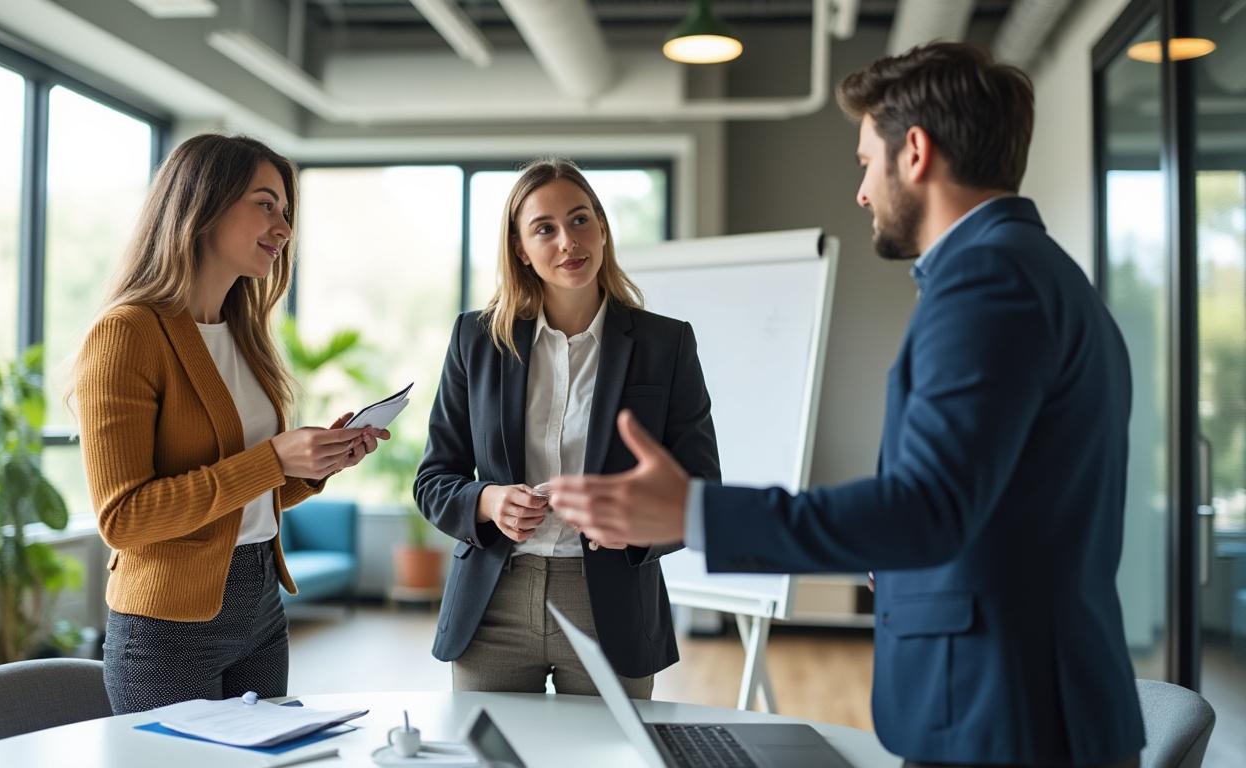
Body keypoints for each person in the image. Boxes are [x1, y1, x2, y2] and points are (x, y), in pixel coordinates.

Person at [548, 43, 1145, 767]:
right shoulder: (1034, 272)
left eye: (867, 161)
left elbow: (927, 510)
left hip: (1006, 714)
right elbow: (994, 505)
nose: (862, 190)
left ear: (915, 152)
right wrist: (887, 553)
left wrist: (692, 512)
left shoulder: (989, 284)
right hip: (1022, 705)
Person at [74, 134, 390, 714]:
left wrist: (316, 464)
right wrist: (273, 459)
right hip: (166, 628)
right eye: (265, 204)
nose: (284, 227)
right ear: (203, 204)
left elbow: (247, 499)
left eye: (286, 212)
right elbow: (124, 518)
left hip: (260, 604)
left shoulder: (244, 333)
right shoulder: (128, 333)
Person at [414, 158, 720, 698]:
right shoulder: (476, 340)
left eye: (580, 220)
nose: (567, 242)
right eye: (544, 229)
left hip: (613, 606)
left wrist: (634, 525)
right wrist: (488, 502)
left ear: (602, 227)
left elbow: (700, 484)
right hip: (493, 606)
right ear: (519, 248)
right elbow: (435, 478)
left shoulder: (665, 345)